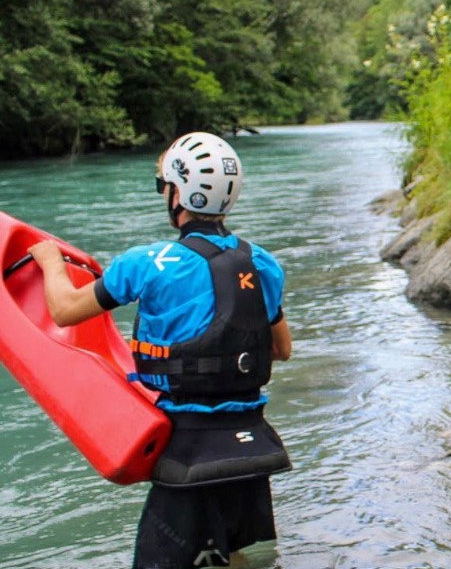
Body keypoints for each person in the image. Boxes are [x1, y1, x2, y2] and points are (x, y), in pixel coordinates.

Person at [28, 131, 292, 569]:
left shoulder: (146, 262)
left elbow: (64, 310)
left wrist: (51, 262)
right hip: (251, 445)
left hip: (188, 452)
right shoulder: (263, 264)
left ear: (178, 194)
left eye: (163, 185)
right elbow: (281, 349)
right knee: (233, 559)